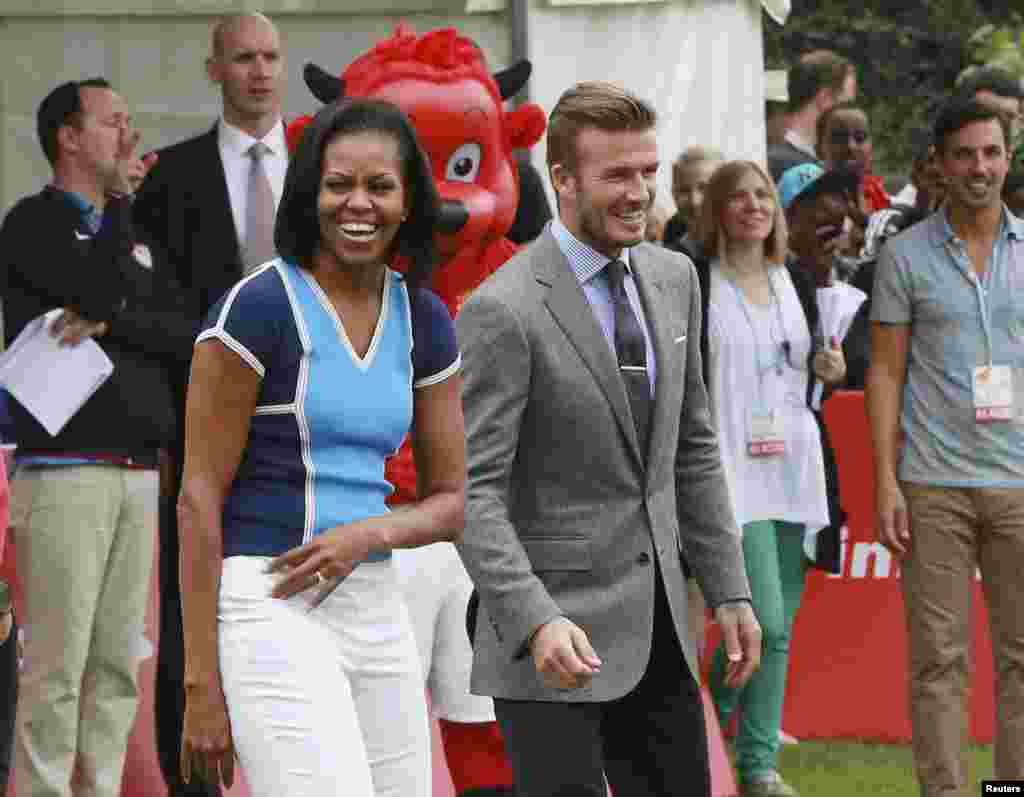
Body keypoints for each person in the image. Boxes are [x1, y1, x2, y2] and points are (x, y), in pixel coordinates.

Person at [455, 80, 761, 797]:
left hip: (660, 631)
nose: (639, 193)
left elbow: (691, 447)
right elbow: (473, 493)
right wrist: (536, 620)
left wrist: (728, 587)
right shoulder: (503, 309)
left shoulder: (675, 276)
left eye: (648, 172)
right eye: (617, 174)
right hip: (550, 639)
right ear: (563, 178)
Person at [176, 98, 465, 797]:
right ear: (309, 192)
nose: (357, 203)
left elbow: (454, 500)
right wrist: (200, 684)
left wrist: (369, 533)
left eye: (379, 186)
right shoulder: (259, 306)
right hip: (270, 601)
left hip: (376, 601)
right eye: (339, 184)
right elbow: (196, 496)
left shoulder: (423, 315)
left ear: (408, 201)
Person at [0, 77, 193, 797]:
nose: (128, 138)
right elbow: (94, 293)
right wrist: (112, 301)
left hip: (138, 470)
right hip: (64, 474)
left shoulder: (135, 233)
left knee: (115, 664)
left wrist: (117, 321)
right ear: (69, 138)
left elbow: (180, 332)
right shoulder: (31, 223)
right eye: (113, 123)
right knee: (57, 665)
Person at [131, 13, 287, 795]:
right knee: (192, 602)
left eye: (270, 58)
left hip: (305, 423)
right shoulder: (169, 175)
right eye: (243, 59)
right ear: (214, 69)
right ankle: (190, 779)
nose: (259, 72)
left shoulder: (328, 165)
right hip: (199, 420)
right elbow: (143, 301)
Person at [867, 99, 1024, 795]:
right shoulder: (904, 255)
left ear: (1008, 156)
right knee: (938, 659)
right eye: (965, 154)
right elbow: (886, 370)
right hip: (933, 484)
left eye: (991, 153)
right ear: (939, 162)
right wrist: (885, 480)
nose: (979, 168)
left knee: (1022, 657)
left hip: (1021, 480)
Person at [694, 161, 845, 797]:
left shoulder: (797, 281)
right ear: (718, 211)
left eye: (762, 196)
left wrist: (831, 367)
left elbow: (818, 371)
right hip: (731, 469)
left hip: (796, 467)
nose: (754, 206)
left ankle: (737, 736)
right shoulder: (698, 282)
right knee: (766, 623)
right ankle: (752, 757)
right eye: (739, 197)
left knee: (779, 624)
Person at [767, 50, 856, 181]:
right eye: (846, 104)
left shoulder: (774, 160)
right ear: (824, 99)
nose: (852, 114)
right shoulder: (791, 168)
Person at [817, 102, 889, 212]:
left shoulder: (881, 198)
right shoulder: (809, 208)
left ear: (871, 148)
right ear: (819, 150)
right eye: (839, 138)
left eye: (860, 138)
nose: (851, 146)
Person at [663, 145, 724, 256]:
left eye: (704, 188)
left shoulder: (754, 250)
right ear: (673, 194)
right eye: (684, 191)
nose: (694, 201)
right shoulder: (666, 260)